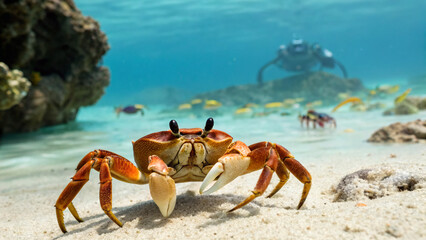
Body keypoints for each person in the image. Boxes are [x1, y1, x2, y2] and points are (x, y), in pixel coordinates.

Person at [257, 39, 348, 84]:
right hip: (291, 67)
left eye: (301, 48)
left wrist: (327, 56)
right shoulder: (285, 53)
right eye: (295, 48)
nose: (298, 50)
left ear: (307, 47)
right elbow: (264, 69)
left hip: (303, 66)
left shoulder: (313, 52)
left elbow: (331, 64)